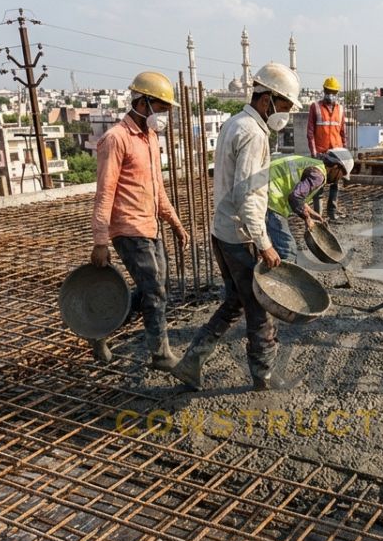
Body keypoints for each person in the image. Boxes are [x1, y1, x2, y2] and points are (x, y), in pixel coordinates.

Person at [171, 62, 299, 392]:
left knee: (235, 301)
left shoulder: (234, 123)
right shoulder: (254, 134)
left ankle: (191, 361)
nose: (284, 114)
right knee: (259, 308)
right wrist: (264, 242)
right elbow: (248, 192)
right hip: (241, 235)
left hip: (222, 230)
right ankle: (264, 376)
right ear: (267, 98)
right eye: (284, 106)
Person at [89, 71, 189, 369]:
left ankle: (102, 330)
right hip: (128, 229)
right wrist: (100, 241)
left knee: (156, 288)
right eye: (162, 108)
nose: (165, 115)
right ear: (143, 102)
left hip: (149, 226)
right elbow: (104, 192)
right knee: (155, 289)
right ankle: (161, 354)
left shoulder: (149, 138)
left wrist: (175, 222)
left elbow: (157, 188)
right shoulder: (116, 139)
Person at [265, 148, 354, 262]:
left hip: (268, 191)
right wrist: (307, 219)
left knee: (273, 245)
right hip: (270, 197)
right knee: (288, 250)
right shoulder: (319, 175)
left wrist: (312, 213)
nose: (338, 179)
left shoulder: (316, 166)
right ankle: (282, 278)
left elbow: (298, 193)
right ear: (336, 167)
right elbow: (295, 197)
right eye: (341, 175)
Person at [307, 76, 348, 221]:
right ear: (324, 90)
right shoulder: (315, 107)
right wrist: (314, 153)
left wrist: (345, 153)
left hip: (336, 153)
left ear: (337, 93)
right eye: (329, 91)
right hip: (321, 154)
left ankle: (332, 213)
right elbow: (310, 132)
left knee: (335, 184)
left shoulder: (341, 109)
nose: (331, 94)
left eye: (333, 92)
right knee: (319, 185)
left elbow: (343, 132)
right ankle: (319, 216)